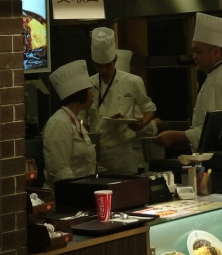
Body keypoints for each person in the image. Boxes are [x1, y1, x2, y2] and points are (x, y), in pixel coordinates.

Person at [156, 12, 222, 151]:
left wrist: (175, 136)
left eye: (198, 52)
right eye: (193, 51)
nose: (194, 56)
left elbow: (212, 132)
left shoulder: (217, 80)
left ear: (215, 52)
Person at [86, 27, 158, 174]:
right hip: (97, 154)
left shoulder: (133, 81)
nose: (104, 70)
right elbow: (81, 117)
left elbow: (150, 109)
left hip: (123, 155)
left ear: (115, 59)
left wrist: (142, 123)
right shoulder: (89, 84)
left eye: (108, 65)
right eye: (99, 66)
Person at [42, 59, 96, 187]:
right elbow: (59, 169)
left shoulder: (75, 120)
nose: (92, 94)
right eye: (89, 90)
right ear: (80, 93)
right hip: (65, 194)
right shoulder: (58, 123)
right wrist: (75, 191)